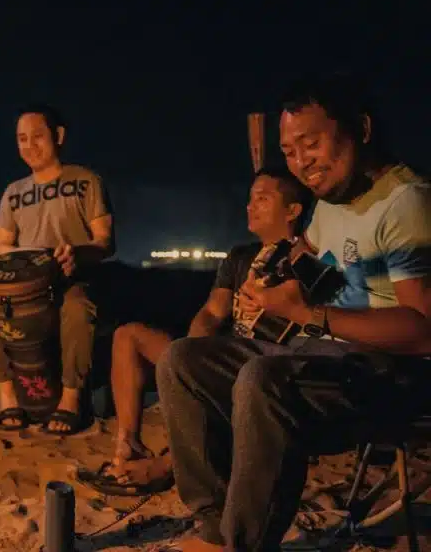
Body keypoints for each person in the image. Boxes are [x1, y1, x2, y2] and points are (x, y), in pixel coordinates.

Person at [158, 74, 431, 552]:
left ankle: (246, 542)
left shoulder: (406, 203)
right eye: (289, 151)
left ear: (361, 129)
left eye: (312, 143)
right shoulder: (331, 201)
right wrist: (270, 276)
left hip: (393, 373)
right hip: (325, 353)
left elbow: (424, 331)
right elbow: (309, 253)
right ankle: (216, 526)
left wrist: (311, 313)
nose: (302, 162)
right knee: (183, 360)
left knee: (262, 378)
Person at [94, 166, 312, 495]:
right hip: (221, 353)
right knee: (129, 336)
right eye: (250, 198)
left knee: (227, 386)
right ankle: (128, 445)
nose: (250, 206)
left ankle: (167, 466)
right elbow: (212, 311)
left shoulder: (305, 261)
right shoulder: (241, 256)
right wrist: (194, 354)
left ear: (293, 210)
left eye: (262, 199)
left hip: (261, 366)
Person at [0, 104, 114, 435]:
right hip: (24, 288)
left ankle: (70, 399)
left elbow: (105, 241)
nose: (30, 145)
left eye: (38, 136)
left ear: (58, 137)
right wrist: (29, 260)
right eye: (22, 139)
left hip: (69, 280)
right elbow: (0, 248)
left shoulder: (86, 181)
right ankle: (7, 391)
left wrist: (77, 254)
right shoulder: (13, 193)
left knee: (77, 307)